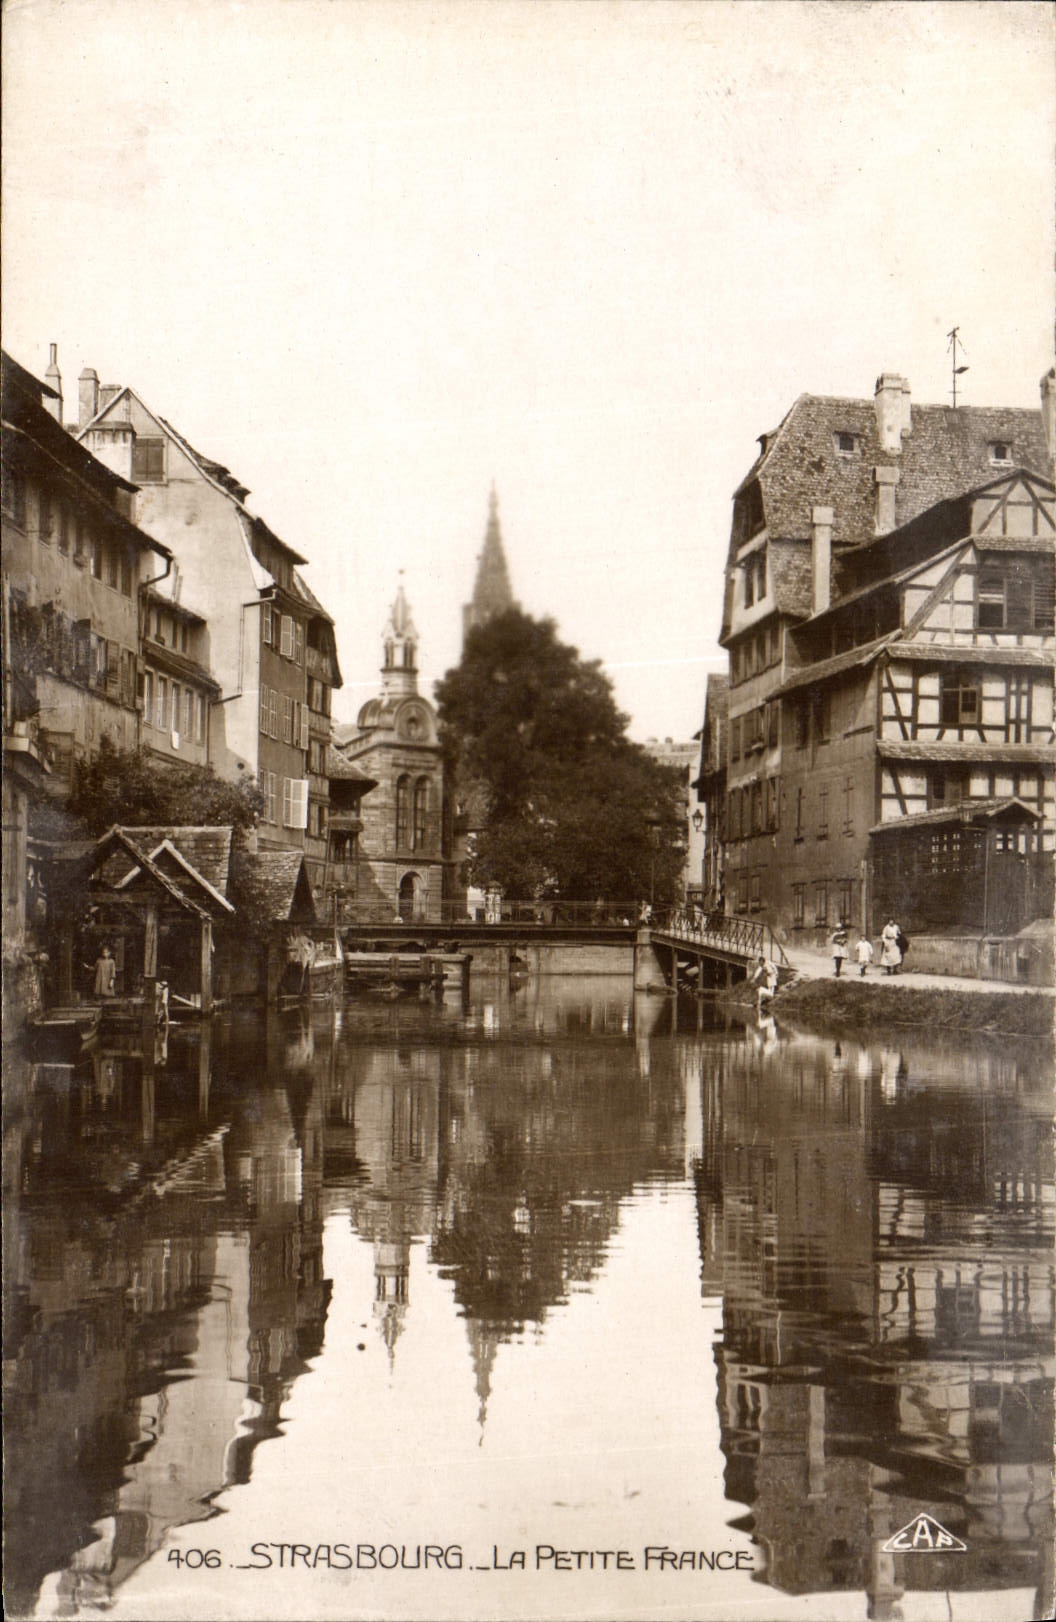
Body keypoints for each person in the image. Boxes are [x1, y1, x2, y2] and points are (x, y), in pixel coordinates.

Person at [751, 952, 779, 1017]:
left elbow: (774, 968)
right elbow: (758, 971)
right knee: (770, 987)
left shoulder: (768, 963)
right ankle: (765, 999)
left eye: (760, 962)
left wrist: (776, 973)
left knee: (771, 987)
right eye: (759, 962)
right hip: (770, 978)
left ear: (763, 961)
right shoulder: (762, 966)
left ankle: (767, 998)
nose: (759, 964)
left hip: (772, 977)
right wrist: (754, 978)